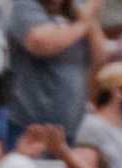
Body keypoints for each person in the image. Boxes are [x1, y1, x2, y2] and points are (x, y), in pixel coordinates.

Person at [7, 0, 102, 139]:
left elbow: (100, 57)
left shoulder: (76, 10)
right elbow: (41, 43)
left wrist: (88, 17)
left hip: (72, 129)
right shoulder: (25, 5)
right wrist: (83, 23)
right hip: (31, 130)